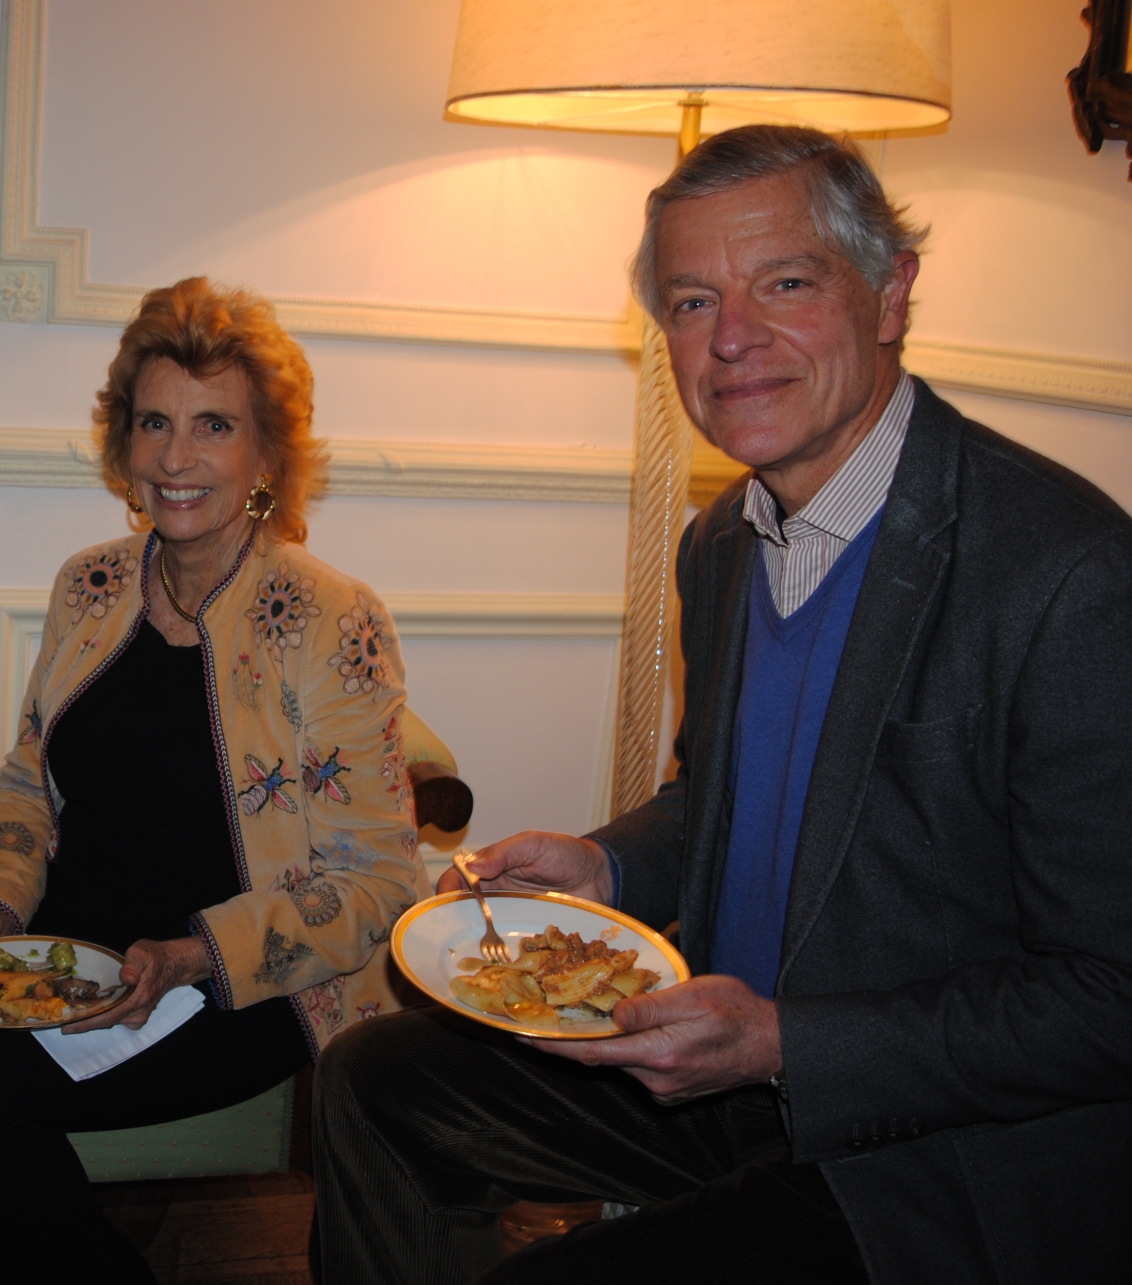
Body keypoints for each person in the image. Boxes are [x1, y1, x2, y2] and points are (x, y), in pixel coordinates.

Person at [312, 125, 1132, 1285]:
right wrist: (605, 869)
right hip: (724, 1076)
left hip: (927, 1156)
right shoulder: (721, 546)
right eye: (693, 302)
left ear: (890, 292)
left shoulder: (1067, 573)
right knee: (376, 1081)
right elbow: (725, 801)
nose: (733, 339)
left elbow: (1111, 997)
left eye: (785, 283)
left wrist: (786, 1042)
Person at [0, 277, 435, 1282]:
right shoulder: (92, 585)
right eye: (154, 421)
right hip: (75, 947)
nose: (176, 456)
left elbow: (379, 884)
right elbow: (30, 780)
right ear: (122, 441)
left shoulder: (330, 618)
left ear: (265, 455)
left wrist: (195, 954)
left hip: (240, 982)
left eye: (213, 425)